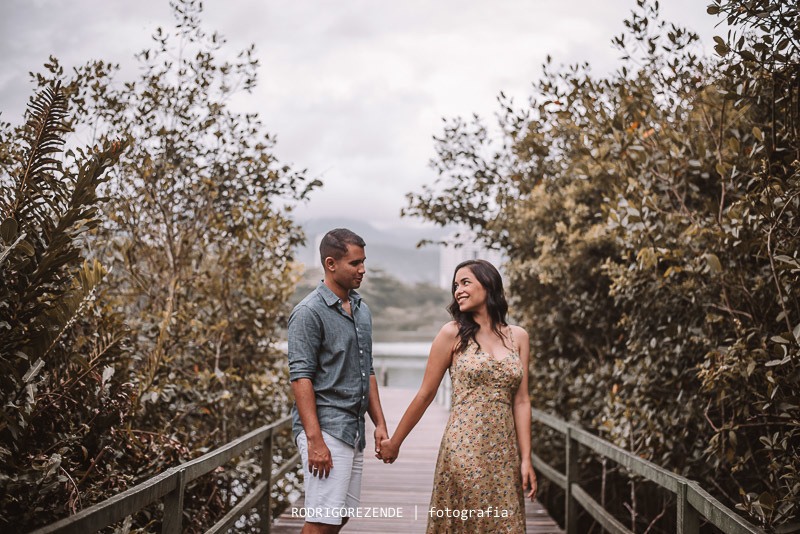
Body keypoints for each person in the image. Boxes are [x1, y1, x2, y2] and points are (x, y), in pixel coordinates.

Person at [379, 259, 537, 533]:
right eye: (455, 285)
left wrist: (526, 458)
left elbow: (522, 401)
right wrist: (396, 441)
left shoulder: (518, 337)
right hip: (464, 449)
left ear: (488, 285)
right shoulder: (451, 334)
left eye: (465, 282)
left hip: (505, 453)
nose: (458, 290)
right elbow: (426, 394)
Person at [288, 228, 389, 534]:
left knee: (340, 516)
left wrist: (380, 424)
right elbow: (300, 378)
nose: (362, 269)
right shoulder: (308, 313)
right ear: (330, 264)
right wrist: (314, 440)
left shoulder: (361, 311)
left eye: (363, 262)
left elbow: (366, 370)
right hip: (327, 429)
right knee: (321, 522)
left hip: (353, 428)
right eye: (354, 263)